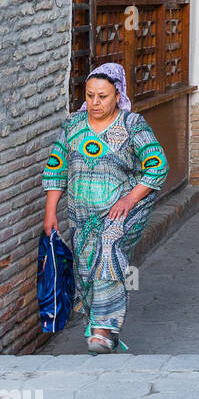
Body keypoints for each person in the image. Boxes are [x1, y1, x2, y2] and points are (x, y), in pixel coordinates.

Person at [42, 63, 168, 353]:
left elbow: (157, 165)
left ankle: (104, 330)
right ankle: (96, 322)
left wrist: (128, 199)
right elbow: (56, 167)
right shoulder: (73, 125)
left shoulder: (132, 125)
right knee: (85, 269)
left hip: (122, 210)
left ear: (117, 95)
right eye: (89, 96)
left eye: (103, 96)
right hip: (81, 214)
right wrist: (51, 212)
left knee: (107, 252)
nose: (95, 103)